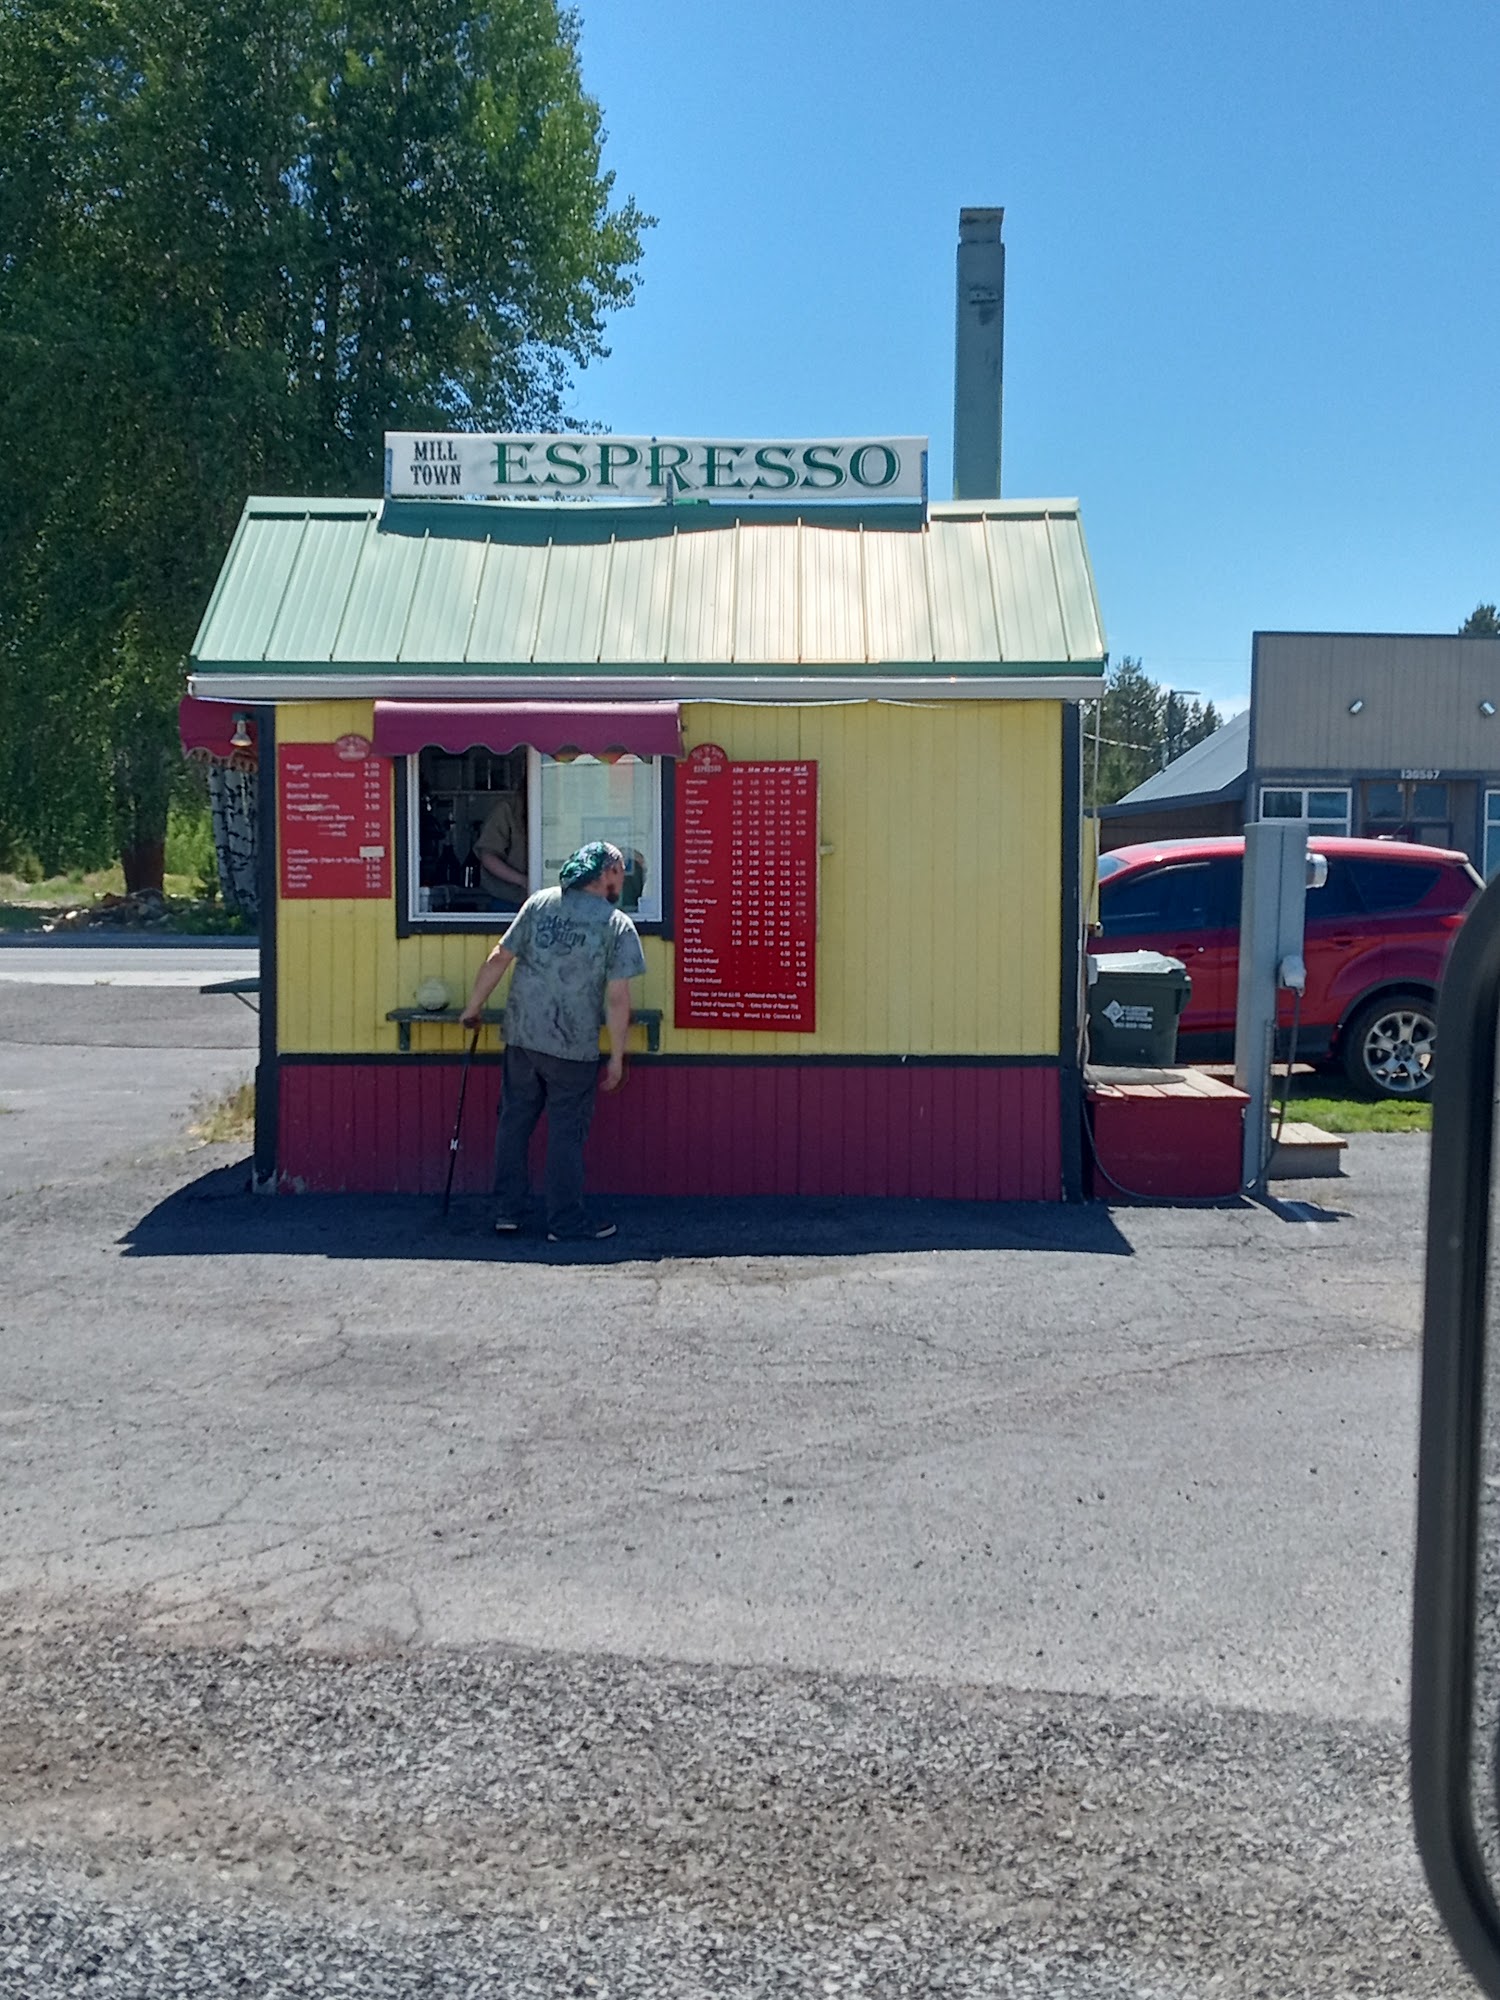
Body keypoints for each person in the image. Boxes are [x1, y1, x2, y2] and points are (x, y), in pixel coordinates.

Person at [460, 841, 646, 1241]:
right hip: (572, 1045)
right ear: (605, 875)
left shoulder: (539, 904)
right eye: (619, 871)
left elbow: (499, 957)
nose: (622, 880)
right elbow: (617, 998)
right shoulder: (616, 925)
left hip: (523, 1036)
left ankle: (507, 1212)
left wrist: (473, 1008)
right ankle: (565, 1222)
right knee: (566, 1133)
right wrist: (617, 1057)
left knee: (514, 1123)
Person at [472, 790, 528, 906]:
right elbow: (488, 856)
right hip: (509, 900)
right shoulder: (507, 809)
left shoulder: (558, 808)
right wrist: (523, 880)